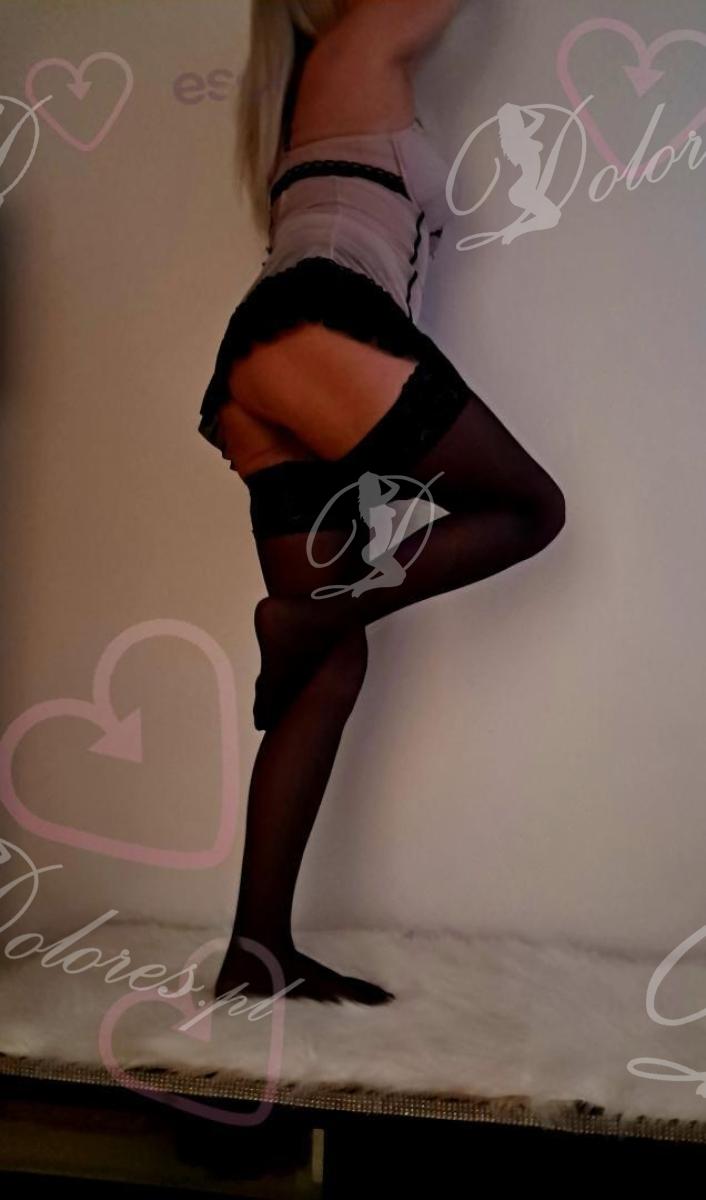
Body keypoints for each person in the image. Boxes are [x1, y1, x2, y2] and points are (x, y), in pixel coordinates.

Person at [200, 0, 566, 1006]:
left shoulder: (306, 88)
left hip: (272, 362)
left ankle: (256, 954)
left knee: (327, 673)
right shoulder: (357, 45)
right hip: (318, 332)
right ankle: (305, 615)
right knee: (530, 510)